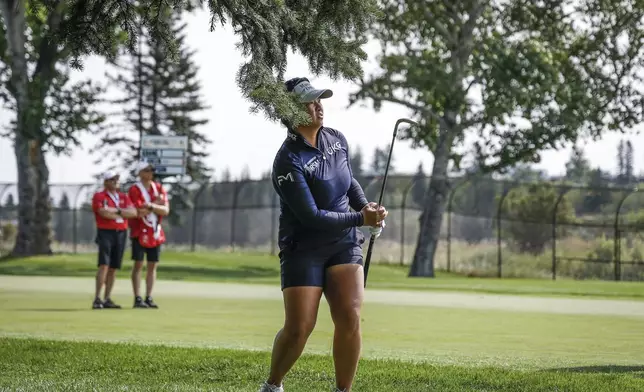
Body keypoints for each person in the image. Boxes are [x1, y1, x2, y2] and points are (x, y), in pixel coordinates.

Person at [259, 77, 388, 392]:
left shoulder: (336, 139)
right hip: (303, 247)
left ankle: (343, 390)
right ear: (290, 110)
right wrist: (360, 218)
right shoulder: (287, 159)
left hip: (343, 243)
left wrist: (366, 207)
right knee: (299, 328)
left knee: (349, 316)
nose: (318, 106)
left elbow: (349, 181)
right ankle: (273, 385)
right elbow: (311, 216)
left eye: (319, 100)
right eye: (309, 102)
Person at [91, 171, 137, 309]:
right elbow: (103, 213)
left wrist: (115, 211)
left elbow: (133, 213)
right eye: (112, 179)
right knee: (104, 265)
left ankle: (107, 298)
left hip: (121, 232)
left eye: (117, 179)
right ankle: (97, 298)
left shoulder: (123, 197)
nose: (116, 181)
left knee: (113, 267)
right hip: (106, 232)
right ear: (106, 182)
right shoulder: (99, 196)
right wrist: (122, 212)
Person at [127, 161, 169, 309]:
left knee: (152, 265)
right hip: (139, 231)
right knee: (138, 263)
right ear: (140, 173)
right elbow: (138, 211)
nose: (150, 173)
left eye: (151, 170)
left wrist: (151, 206)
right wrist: (154, 205)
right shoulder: (135, 189)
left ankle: (149, 296)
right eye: (147, 170)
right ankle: (137, 297)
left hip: (155, 231)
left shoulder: (158, 188)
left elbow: (164, 210)